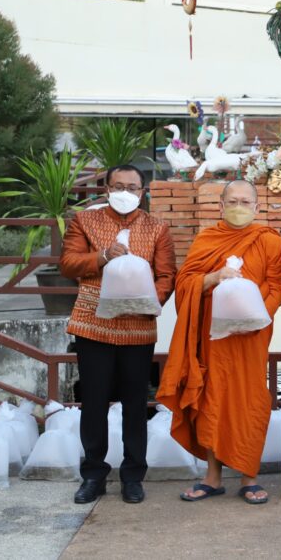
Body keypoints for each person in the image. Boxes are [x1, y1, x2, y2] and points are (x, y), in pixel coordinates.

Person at [157, 180, 281, 505]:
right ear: (221, 206)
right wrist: (214, 278)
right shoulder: (207, 239)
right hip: (213, 337)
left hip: (251, 337)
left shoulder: (269, 240)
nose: (238, 207)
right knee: (211, 399)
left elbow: (278, 286)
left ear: (257, 207)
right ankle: (212, 478)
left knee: (250, 401)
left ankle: (249, 477)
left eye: (245, 201)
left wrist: (255, 314)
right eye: (232, 201)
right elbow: (185, 283)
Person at [60, 164, 176, 505]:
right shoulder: (85, 221)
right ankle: (94, 475)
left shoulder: (157, 227)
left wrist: (149, 301)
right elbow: (68, 263)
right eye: (118, 186)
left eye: (132, 187)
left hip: (138, 326)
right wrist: (102, 256)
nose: (125, 192)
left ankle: (133, 476)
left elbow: (167, 275)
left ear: (143, 192)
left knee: (135, 404)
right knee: (94, 401)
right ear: (107, 189)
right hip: (93, 323)